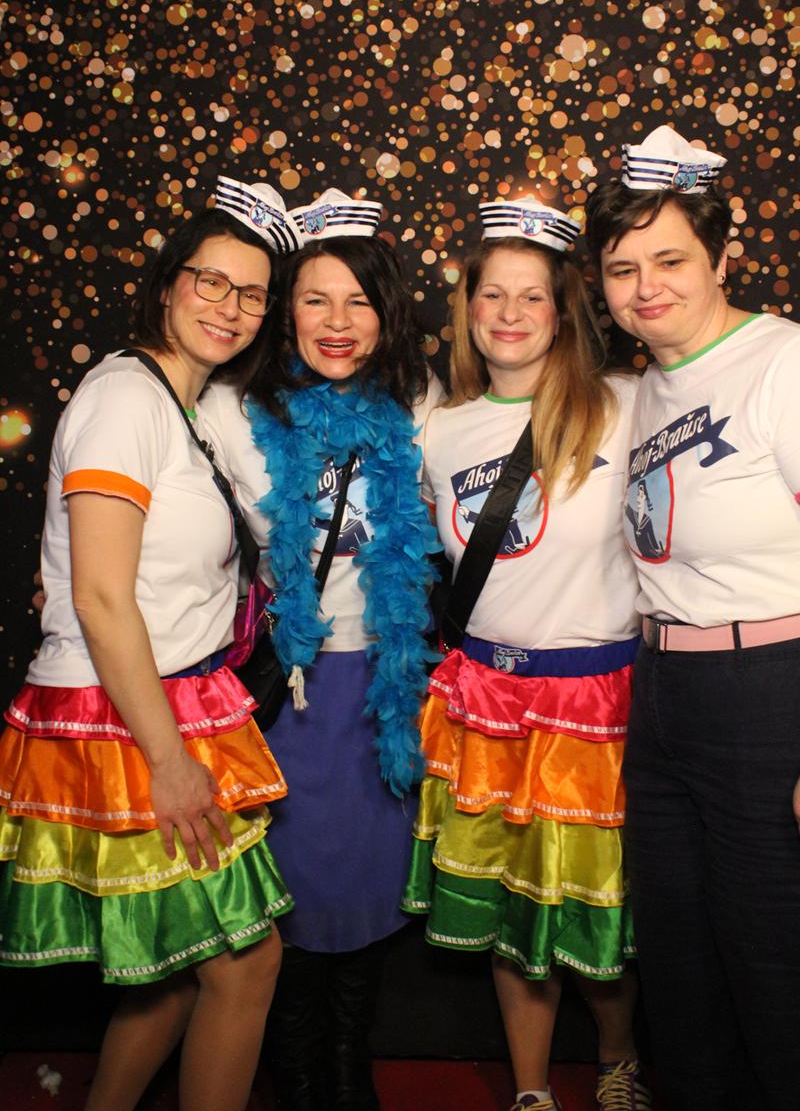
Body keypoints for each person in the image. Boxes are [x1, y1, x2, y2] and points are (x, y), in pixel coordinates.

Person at [0, 180, 298, 1111]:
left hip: (173, 696)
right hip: (127, 717)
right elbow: (99, 596)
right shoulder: (126, 397)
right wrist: (168, 763)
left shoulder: (187, 403)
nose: (230, 307)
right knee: (246, 964)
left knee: (179, 969)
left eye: (252, 294)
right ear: (169, 284)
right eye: (211, 282)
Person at [402, 197, 651, 1111]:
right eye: (491, 294)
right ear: (467, 307)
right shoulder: (439, 430)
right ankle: (532, 1090)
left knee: (593, 908)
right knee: (512, 908)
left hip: (593, 706)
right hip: (485, 704)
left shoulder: (628, 405)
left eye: (532, 296)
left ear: (563, 310)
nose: (509, 313)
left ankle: (618, 1062)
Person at [199, 189, 441, 1111]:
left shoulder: (420, 401)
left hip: (385, 683)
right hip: (286, 688)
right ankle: (295, 1073)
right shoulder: (231, 409)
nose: (338, 323)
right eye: (315, 299)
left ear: (387, 312)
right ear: (285, 309)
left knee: (372, 879)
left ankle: (348, 1064)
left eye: (359, 302)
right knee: (291, 886)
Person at [585, 125, 800, 1111]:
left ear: (720, 257)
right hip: (663, 691)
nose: (645, 287)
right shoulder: (641, 390)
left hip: (769, 692)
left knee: (772, 961)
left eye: (669, 260)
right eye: (621, 268)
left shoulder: (779, 361)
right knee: (676, 964)